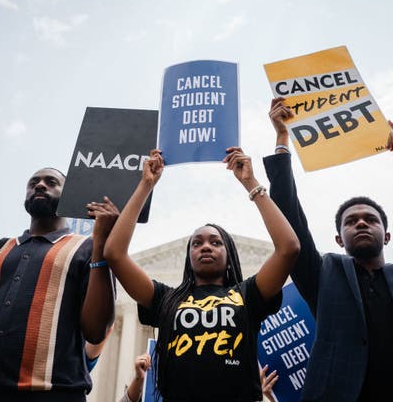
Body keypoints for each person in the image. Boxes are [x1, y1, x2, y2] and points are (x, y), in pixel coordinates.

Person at [264, 97, 393, 401]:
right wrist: (282, 140)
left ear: (387, 236)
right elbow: (291, 225)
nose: (362, 223)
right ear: (339, 240)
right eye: (351, 221)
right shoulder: (324, 276)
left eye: (371, 219)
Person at [103, 148, 300, 401]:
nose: (206, 246)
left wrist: (251, 183)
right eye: (196, 243)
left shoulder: (248, 295)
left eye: (216, 242)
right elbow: (115, 254)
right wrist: (145, 186)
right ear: (188, 257)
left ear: (229, 255)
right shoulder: (166, 299)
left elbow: (289, 248)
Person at [0, 167, 118, 401]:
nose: (40, 185)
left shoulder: (89, 248)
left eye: (51, 182)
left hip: (51, 393)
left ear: (69, 195)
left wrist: (101, 244)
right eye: (33, 183)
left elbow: (96, 331)